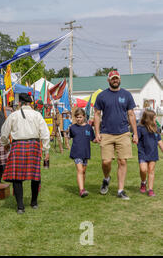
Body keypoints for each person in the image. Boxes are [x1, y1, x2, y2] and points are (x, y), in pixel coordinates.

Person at [0, 92, 50, 214]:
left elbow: (4, 132)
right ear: (30, 103)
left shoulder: (13, 115)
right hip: (34, 146)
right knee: (35, 175)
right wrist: (46, 150)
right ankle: (34, 202)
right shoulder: (37, 115)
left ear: (19, 103)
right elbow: (45, 133)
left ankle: (20, 207)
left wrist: (5, 143)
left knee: (17, 177)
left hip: (18, 146)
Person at [93, 70, 138, 200]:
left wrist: (135, 133)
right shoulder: (102, 96)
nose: (115, 80)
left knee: (122, 161)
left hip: (123, 133)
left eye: (117, 78)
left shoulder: (127, 95)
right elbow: (97, 114)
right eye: (112, 78)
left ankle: (120, 190)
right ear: (108, 80)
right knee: (106, 162)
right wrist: (97, 133)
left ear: (119, 79)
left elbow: (131, 115)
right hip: (106, 133)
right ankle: (106, 178)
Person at [69, 108, 95, 197]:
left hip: (86, 152)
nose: (78, 119)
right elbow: (70, 136)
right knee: (79, 170)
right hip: (76, 152)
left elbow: (93, 139)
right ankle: (81, 190)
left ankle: (83, 187)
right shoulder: (72, 128)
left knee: (83, 171)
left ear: (84, 117)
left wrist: (99, 139)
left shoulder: (88, 127)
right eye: (77, 117)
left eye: (80, 117)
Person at [137, 109, 163, 197]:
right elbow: (136, 139)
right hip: (143, 152)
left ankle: (150, 189)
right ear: (149, 118)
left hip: (153, 152)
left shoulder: (156, 129)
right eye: (154, 118)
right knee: (143, 169)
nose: (156, 120)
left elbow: (159, 141)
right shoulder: (140, 128)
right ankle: (143, 182)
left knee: (151, 170)